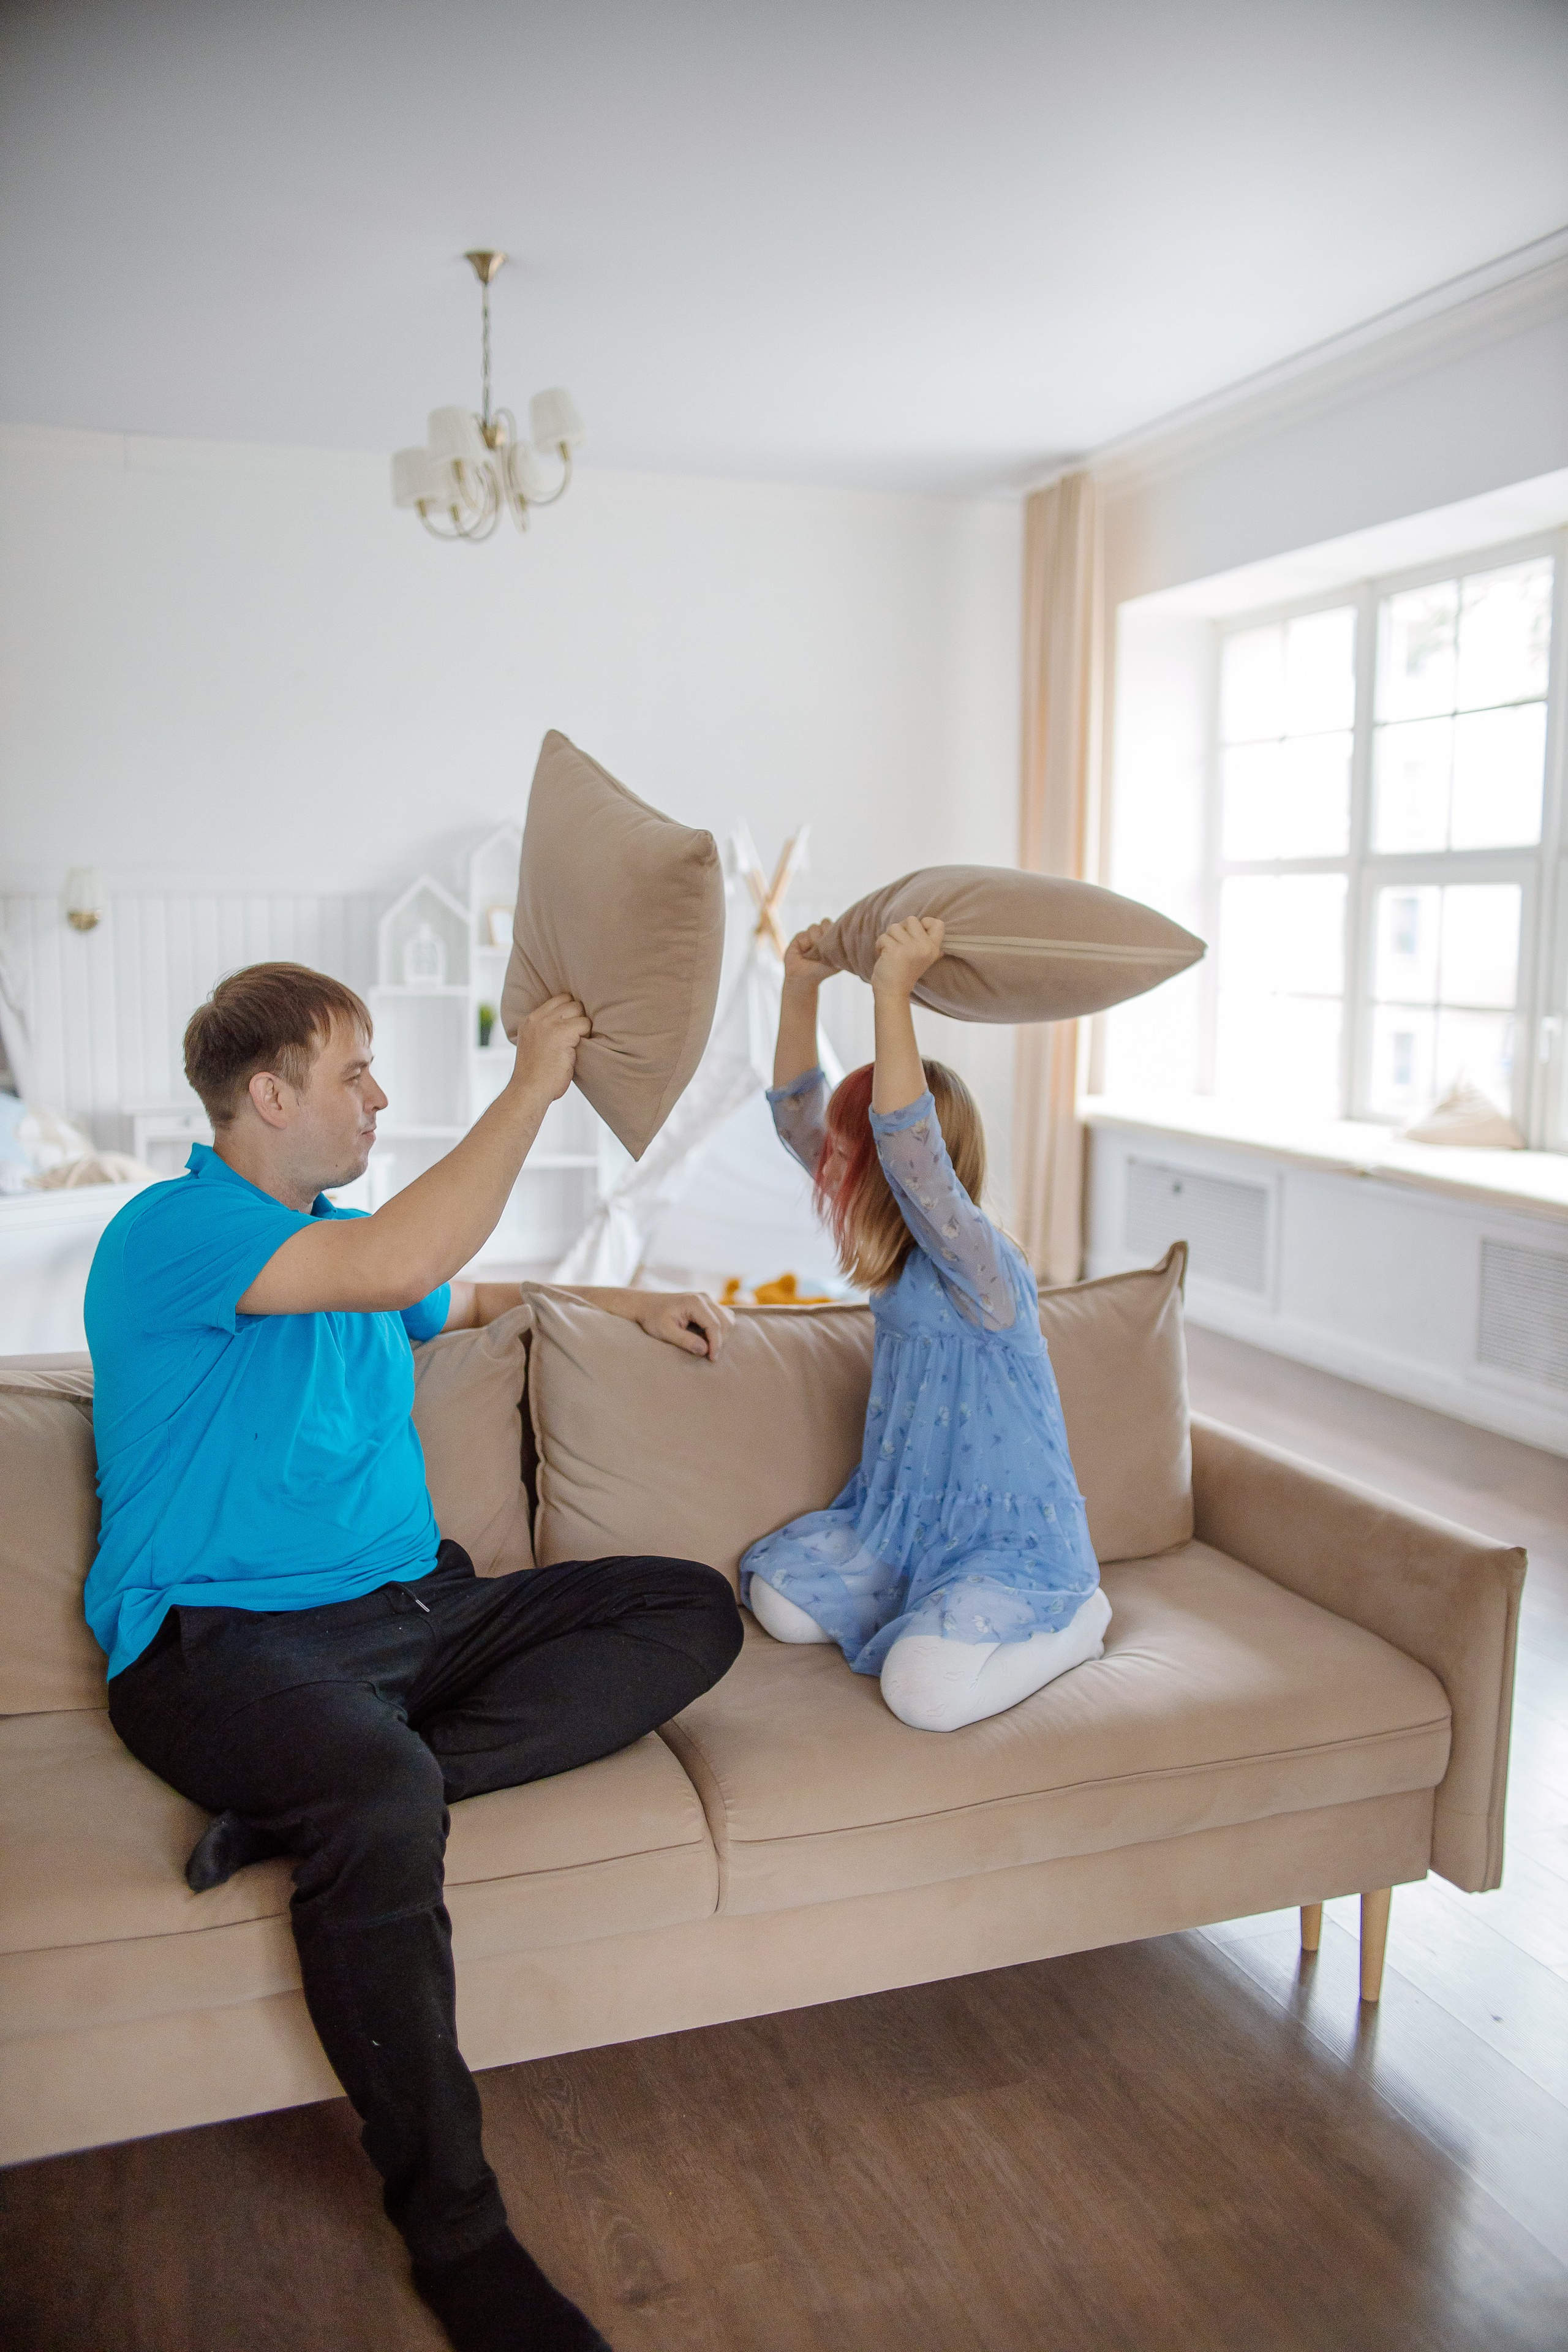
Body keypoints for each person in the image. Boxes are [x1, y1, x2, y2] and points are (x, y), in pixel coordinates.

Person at [86, 961, 743, 2352]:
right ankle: (457, 2232)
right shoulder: (173, 1232)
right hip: (220, 1644)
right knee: (382, 1794)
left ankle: (314, 1799)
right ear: (269, 1096)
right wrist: (533, 1082)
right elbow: (397, 1265)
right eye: (354, 1073)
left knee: (687, 1609)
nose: (379, 1097)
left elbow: (459, 1288)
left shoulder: (343, 1244)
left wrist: (627, 1305)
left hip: (412, 1613)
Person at [740, 915, 1109, 1732]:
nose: (828, 1158)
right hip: (905, 1523)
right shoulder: (900, 1250)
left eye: (851, 1146)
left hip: (1002, 1541)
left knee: (922, 1696)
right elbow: (796, 1118)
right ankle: (925, 1607)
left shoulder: (981, 1264)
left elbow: (910, 1153)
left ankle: (1080, 1624)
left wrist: (892, 991)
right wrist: (800, 987)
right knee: (780, 1602)